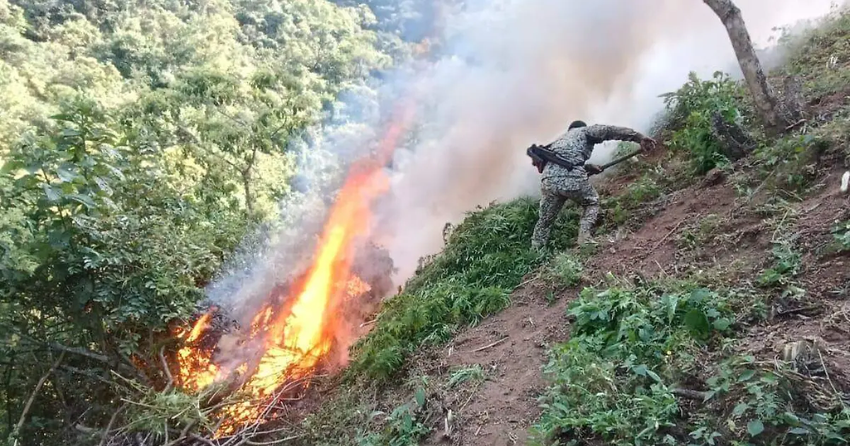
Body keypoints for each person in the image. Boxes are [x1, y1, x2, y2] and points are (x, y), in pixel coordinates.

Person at [529, 120, 656, 249]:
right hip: (570, 177)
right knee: (591, 202)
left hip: (547, 181)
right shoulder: (584, 131)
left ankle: (536, 250)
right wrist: (638, 137)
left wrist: (588, 168)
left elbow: (566, 161)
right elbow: (609, 130)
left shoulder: (558, 141)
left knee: (545, 220)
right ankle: (585, 239)